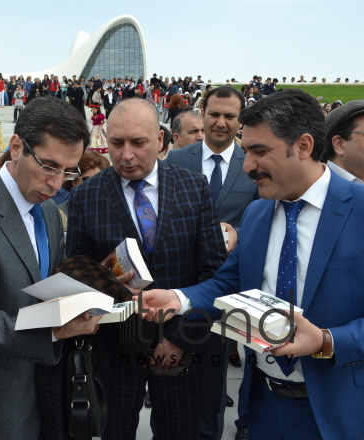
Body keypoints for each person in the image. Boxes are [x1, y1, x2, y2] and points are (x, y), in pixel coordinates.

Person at [138, 89, 364, 440]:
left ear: (304, 146)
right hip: (265, 408)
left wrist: (325, 341)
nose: (247, 166)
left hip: (348, 413)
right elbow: (228, 282)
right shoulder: (258, 212)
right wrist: (179, 299)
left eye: (260, 152)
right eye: (246, 152)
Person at [66, 98, 227, 440]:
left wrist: (179, 339)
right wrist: (104, 281)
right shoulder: (86, 197)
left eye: (138, 143)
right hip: (115, 349)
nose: (126, 155)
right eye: (116, 143)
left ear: (160, 140)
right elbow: (75, 272)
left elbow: (214, 273)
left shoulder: (194, 188)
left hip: (183, 346)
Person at [0, 96, 101, 440]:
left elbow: (46, 282)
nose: (57, 184)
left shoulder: (45, 209)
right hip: (5, 395)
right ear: (16, 147)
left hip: (54, 379)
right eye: (49, 166)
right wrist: (53, 332)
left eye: (68, 171)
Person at [166, 85, 259, 440]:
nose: (221, 122)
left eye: (230, 116)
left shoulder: (251, 162)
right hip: (183, 285)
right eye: (214, 114)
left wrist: (235, 231)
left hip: (230, 289)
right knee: (172, 378)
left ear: (240, 120)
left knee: (214, 380)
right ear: (202, 113)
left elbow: (262, 216)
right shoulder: (177, 160)